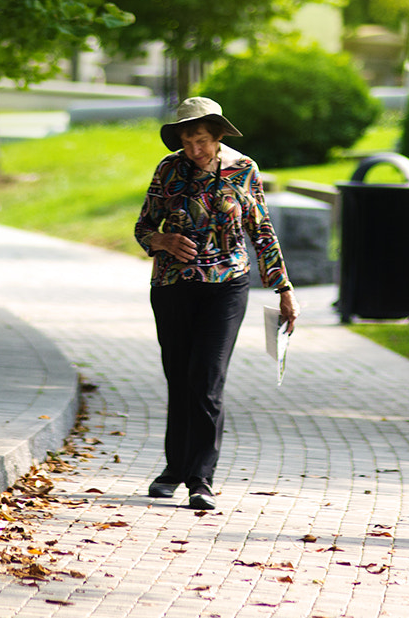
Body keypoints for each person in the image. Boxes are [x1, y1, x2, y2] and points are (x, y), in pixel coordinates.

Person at [134, 96, 299, 511]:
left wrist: (283, 289)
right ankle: (174, 470)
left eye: (202, 140)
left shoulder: (244, 169)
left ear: (218, 135)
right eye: (188, 142)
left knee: (206, 378)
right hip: (173, 284)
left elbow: (261, 231)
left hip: (226, 285)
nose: (195, 150)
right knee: (179, 376)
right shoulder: (169, 170)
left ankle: (201, 479)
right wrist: (160, 240)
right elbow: (143, 225)